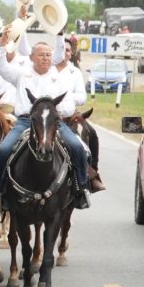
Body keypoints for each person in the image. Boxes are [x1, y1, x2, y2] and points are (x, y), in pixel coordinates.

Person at [0, 39, 91, 209]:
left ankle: (80, 188)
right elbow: (0, 67)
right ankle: (1, 191)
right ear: (32, 57)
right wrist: (1, 45)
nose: (45, 58)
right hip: (25, 122)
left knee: (77, 147)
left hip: (54, 124)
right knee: (3, 150)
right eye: (41, 55)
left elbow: (69, 106)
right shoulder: (22, 74)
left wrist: (53, 111)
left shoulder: (59, 79)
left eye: (48, 55)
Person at [55, 38, 104, 192]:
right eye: (61, 49)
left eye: (68, 50)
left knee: (91, 134)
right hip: (48, 116)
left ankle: (90, 174)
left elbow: (82, 97)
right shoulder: (47, 69)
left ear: (72, 53)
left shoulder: (75, 72)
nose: (64, 53)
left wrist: (67, 97)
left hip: (69, 117)